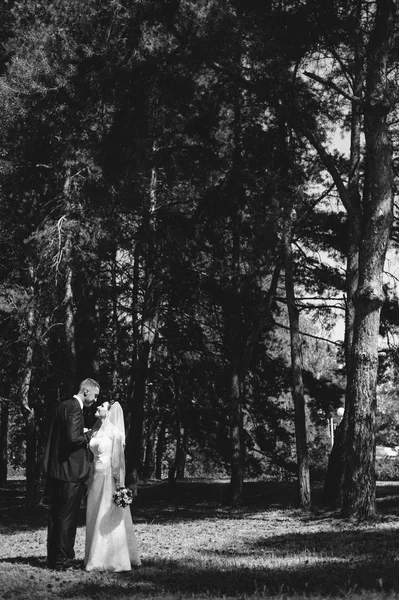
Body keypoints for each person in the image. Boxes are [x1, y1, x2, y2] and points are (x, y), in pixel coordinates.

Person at [43, 378, 100, 570]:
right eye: (95, 395)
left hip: (58, 470)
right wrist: (90, 433)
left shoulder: (63, 405)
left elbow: (65, 435)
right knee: (67, 517)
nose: (95, 400)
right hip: (71, 473)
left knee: (56, 516)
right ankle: (63, 559)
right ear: (85, 391)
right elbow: (73, 439)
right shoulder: (76, 407)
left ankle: (53, 558)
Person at [84, 400, 141, 571]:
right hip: (96, 477)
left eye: (102, 406)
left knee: (107, 515)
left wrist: (119, 485)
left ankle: (112, 558)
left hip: (109, 478)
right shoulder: (95, 431)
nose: (98, 407)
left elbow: (118, 462)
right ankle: (94, 555)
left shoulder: (115, 433)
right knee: (94, 513)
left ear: (109, 412)